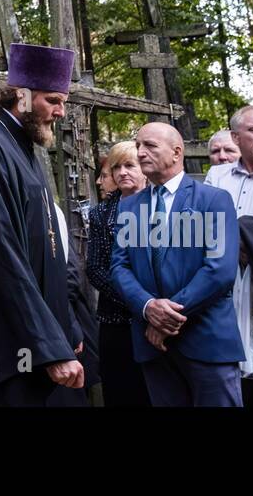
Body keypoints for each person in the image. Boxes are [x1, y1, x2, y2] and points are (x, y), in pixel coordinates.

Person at [0, 43, 84, 406]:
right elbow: (3, 260)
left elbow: (47, 249)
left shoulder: (21, 148)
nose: (60, 112)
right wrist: (49, 346)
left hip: (37, 338)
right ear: (22, 97)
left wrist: (65, 324)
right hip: (10, 347)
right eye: (53, 100)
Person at [111, 122, 243, 406]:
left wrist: (165, 319)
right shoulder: (130, 207)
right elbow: (119, 267)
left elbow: (219, 270)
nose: (141, 152)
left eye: (150, 146)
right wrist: (148, 308)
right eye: (138, 146)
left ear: (176, 152)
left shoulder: (213, 200)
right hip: (153, 348)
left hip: (206, 339)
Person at [205, 105, 253, 406]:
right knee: (232, 368)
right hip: (225, 282)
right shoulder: (218, 174)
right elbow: (206, 221)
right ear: (236, 138)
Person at [86, 140, 151, 406]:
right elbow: (95, 269)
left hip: (156, 323)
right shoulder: (101, 213)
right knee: (121, 393)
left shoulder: (162, 206)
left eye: (130, 165)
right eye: (117, 167)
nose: (123, 172)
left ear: (145, 169)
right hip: (117, 321)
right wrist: (139, 301)